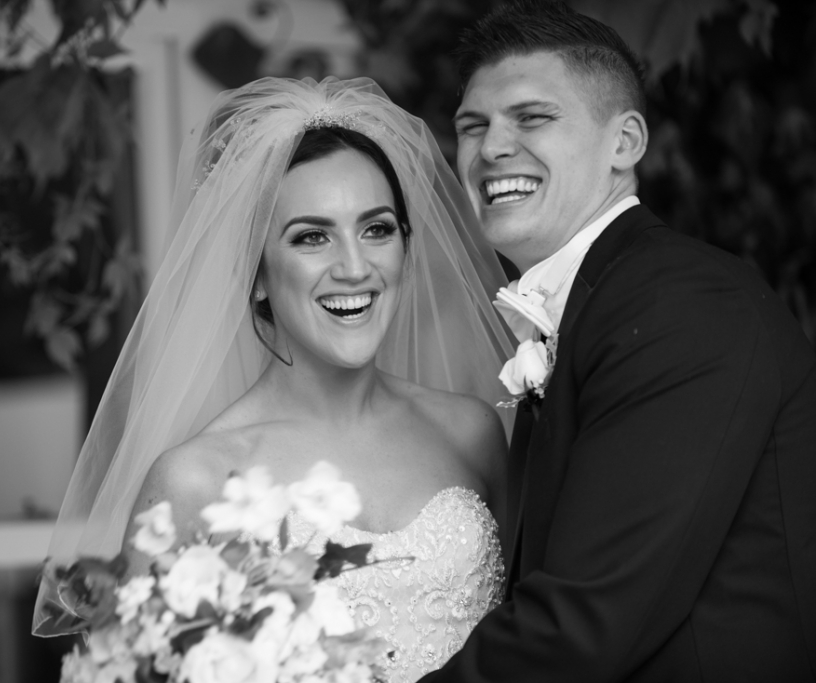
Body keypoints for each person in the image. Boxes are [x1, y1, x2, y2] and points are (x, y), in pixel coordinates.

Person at [32, 76, 517, 682]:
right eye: (312, 236)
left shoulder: (472, 431)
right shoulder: (193, 481)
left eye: (377, 229)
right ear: (257, 274)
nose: (354, 266)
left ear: (406, 249)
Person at [420, 2, 816, 682]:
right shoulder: (600, 302)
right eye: (471, 126)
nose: (490, 148)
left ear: (625, 142)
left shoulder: (680, 305)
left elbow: (581, 621)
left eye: (533, 117)